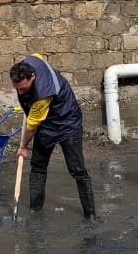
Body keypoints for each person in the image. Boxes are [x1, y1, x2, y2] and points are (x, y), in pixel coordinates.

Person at [9, 55, 96, 220]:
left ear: (32, 76)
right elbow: (39, 58)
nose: (20, 92)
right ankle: (35, 209)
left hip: (67, 123)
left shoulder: (41, 96)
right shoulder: (32, 60)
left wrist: (23, 147)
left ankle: (90, 215)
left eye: (23, 88)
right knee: (38, 166)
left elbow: (31, 126)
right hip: (46, 125)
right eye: (17, 89)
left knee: (77, 169)